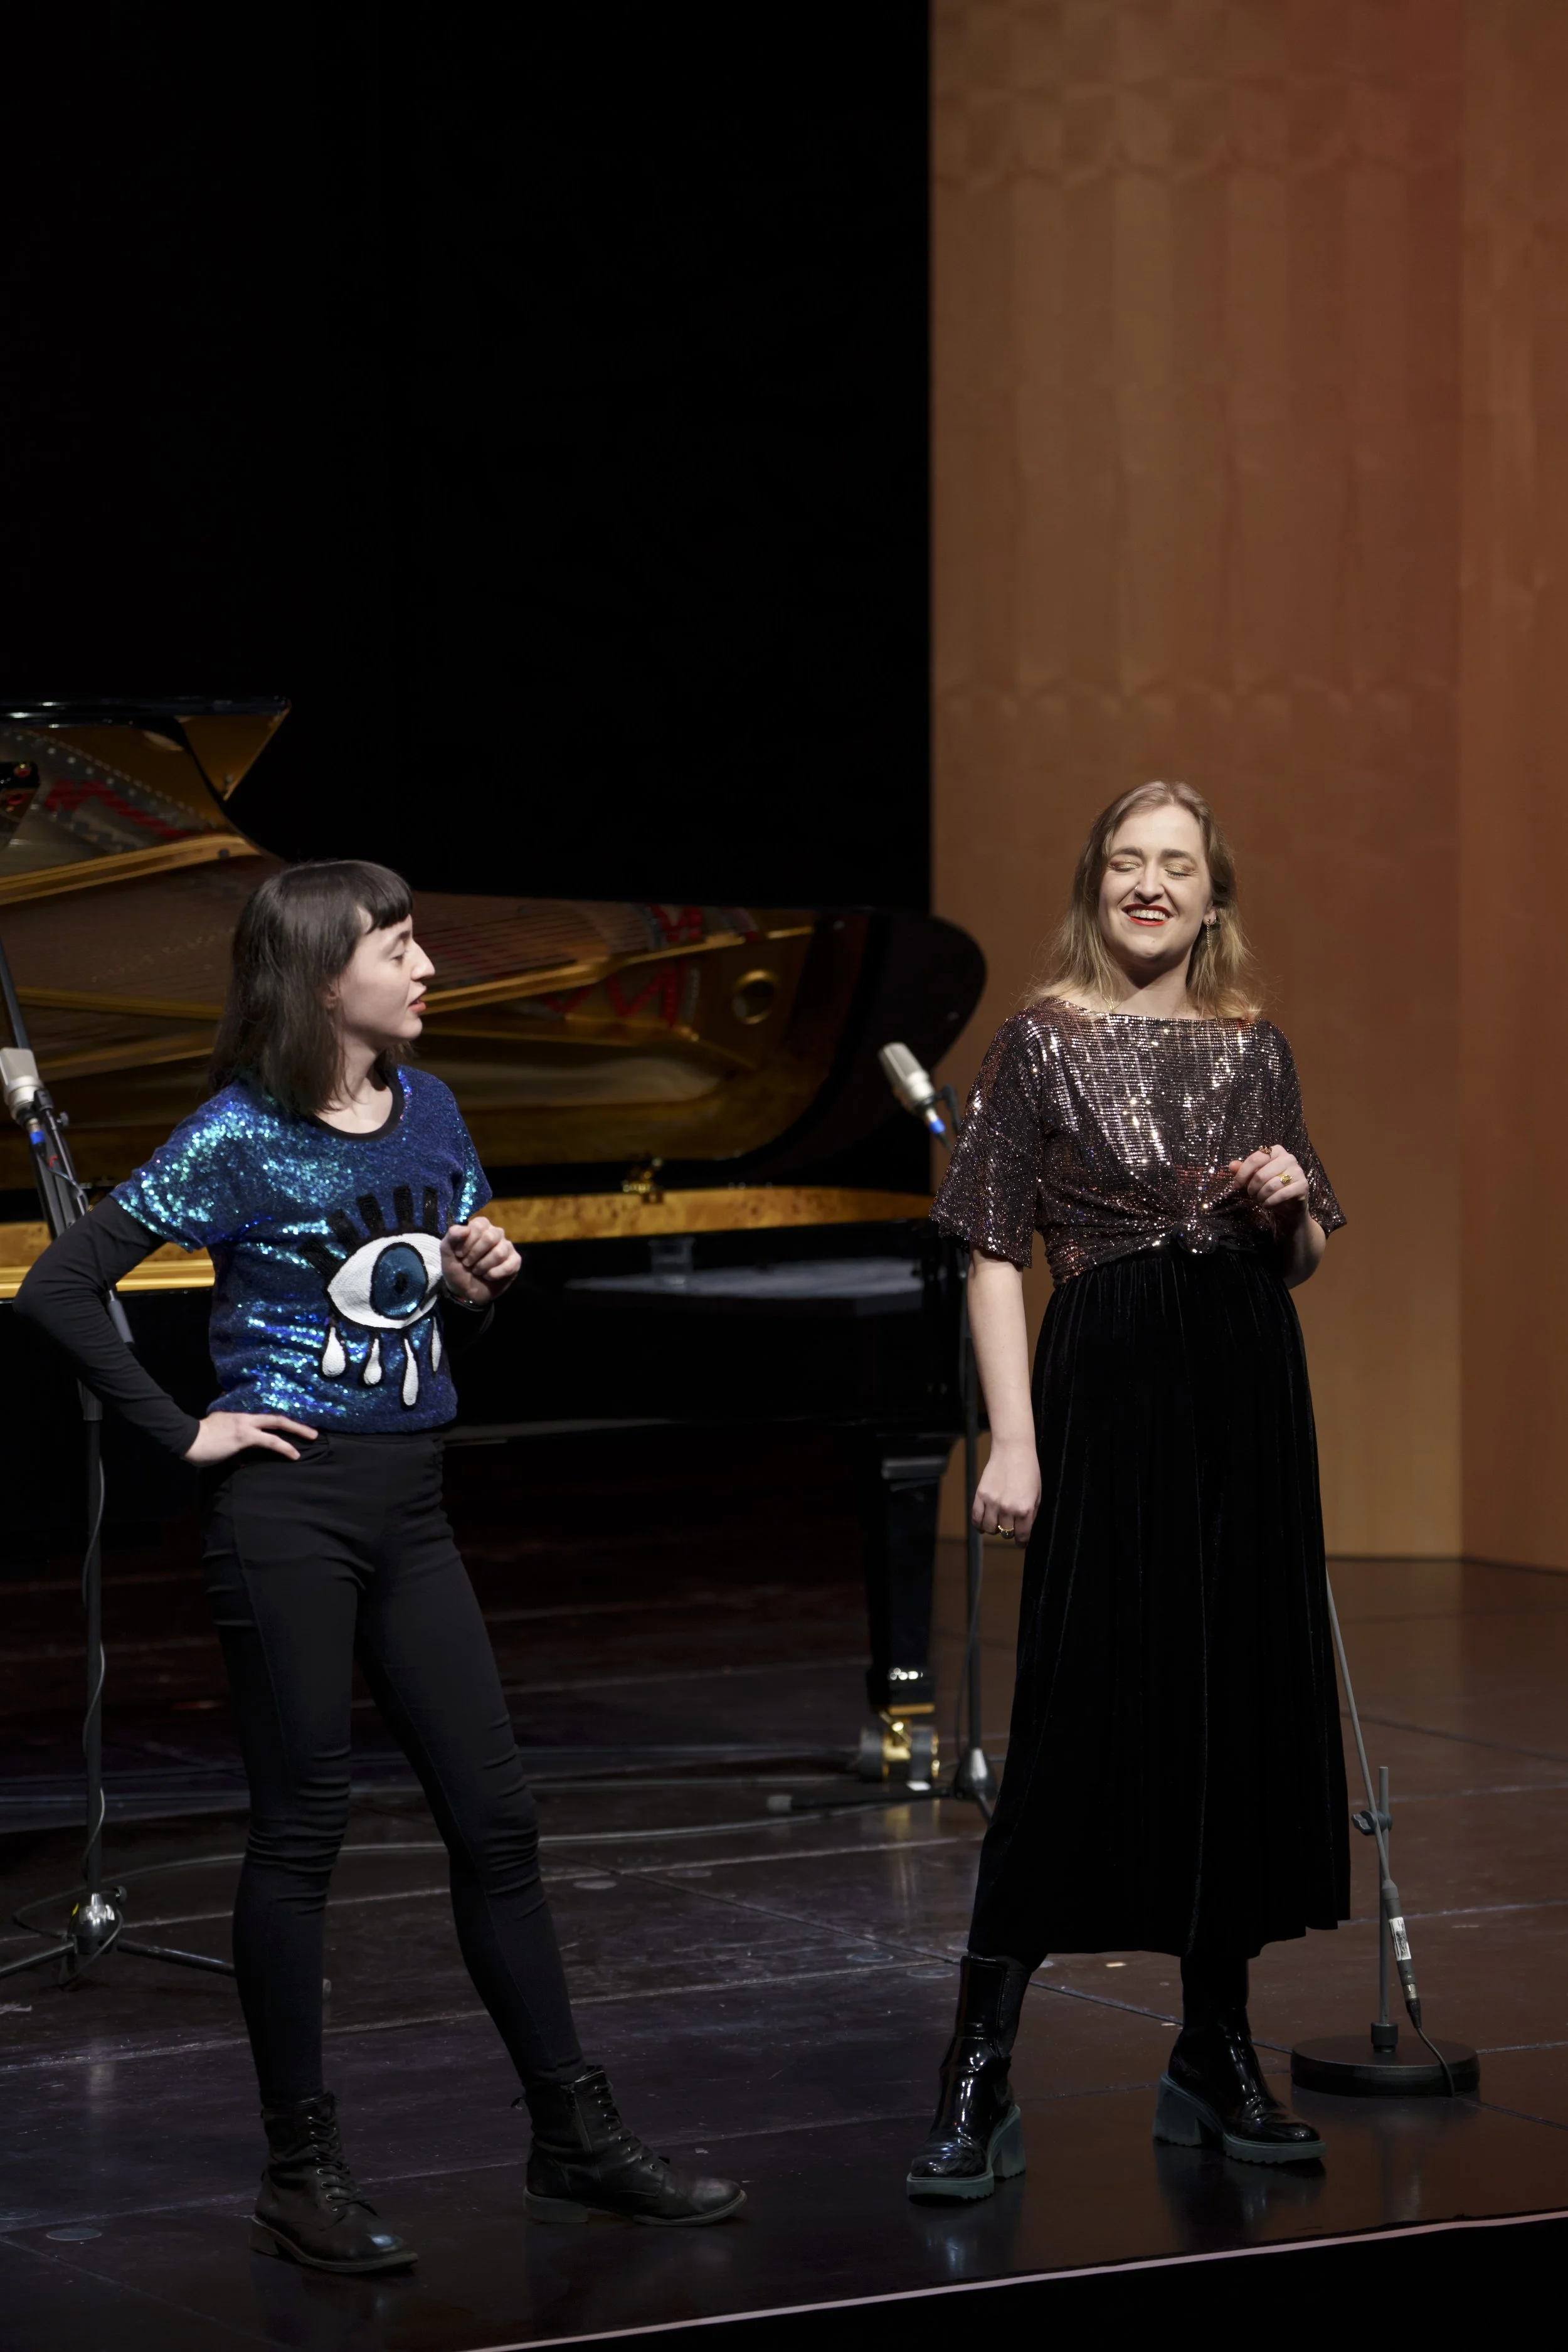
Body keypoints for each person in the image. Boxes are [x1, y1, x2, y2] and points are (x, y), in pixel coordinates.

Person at [16, 860, 743, 2271]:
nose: (427, 967)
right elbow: (61, 1282)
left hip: (415, 1504)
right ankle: (300, 2174)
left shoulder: (434, 1107)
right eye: (397, 947)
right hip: (288, 1511)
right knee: (302, 1834)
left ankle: (571, 2137)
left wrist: (477, 1288)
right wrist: (185, 1430)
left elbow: (427, 1315)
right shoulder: (240, 1134)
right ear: (320, 978)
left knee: (498, 1821)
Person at [906, 781, 1348, 2201]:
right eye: (1125, 862)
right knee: (1078, 1713)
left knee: (1235, 1709)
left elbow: (1298, 1262)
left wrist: (1287, 1206)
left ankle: (1214, 2046)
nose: (1149, 884)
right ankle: (979, 2064)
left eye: (1176, 867)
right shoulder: (1037, 1041)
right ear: (1094, 883)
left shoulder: (1254, 1047)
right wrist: (1013, 1441)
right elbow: (990, 1252)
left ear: (1213, 900)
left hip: (1245, 1393)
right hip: (1104, 1384)